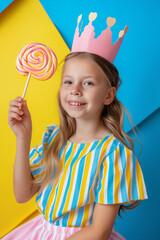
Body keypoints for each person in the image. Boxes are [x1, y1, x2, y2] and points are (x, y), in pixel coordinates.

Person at [4, 13, 148, 240]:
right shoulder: (53, 138)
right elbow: (23, 195)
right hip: (41, 232)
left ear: (109, 95)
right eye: (68, 81)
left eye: (88, 83)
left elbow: (99, 232)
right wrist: (23, 137)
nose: (75, 90)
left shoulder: (113, 155)